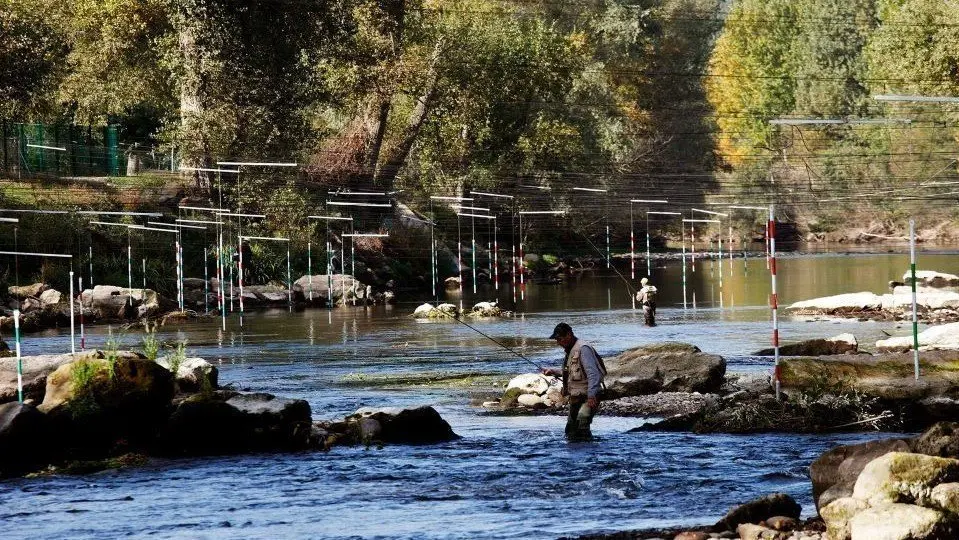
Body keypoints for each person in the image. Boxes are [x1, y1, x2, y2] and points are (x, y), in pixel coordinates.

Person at [542, 322, 605, 441]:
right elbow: (572, 371)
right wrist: (553, 371)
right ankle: (575, 456)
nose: (558, 343)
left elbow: (593, 374)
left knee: (582, 425)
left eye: (559, 339)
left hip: (588, 397)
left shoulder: (583, 348)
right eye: (557, 340)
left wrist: (592, 396)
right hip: (576, 397)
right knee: (570, 430)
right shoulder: (570, 350)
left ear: (569, 335)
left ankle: (590, 457)